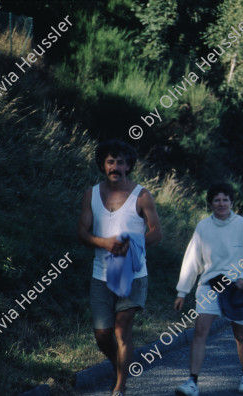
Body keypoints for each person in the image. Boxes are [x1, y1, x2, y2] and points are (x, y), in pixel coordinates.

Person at [77, 140, 162, 396]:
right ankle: (119, 367)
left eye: (121, 162)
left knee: (122, 327)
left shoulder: (142, 195)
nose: (116, 167)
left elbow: (156, 233)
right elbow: (81, 232)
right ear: (103, 165)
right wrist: (102, 242)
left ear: (129, 166)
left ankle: (120, 387)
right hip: (100, 275)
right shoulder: (91, 194)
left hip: (133, 275)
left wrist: (132, 245)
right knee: (102, 335)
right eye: (110, 161)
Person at [173, 183, 243, 396]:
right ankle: (192, 382)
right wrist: (182, 291)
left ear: (232, 202)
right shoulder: (203, 227)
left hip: (237, 289)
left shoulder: (242, 225)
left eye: (225, 199)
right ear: (211, 203)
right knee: (200, 331)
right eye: (217, 200)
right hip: (209, 287)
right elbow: (192, 260)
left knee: (240, 334)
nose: (221, 203)